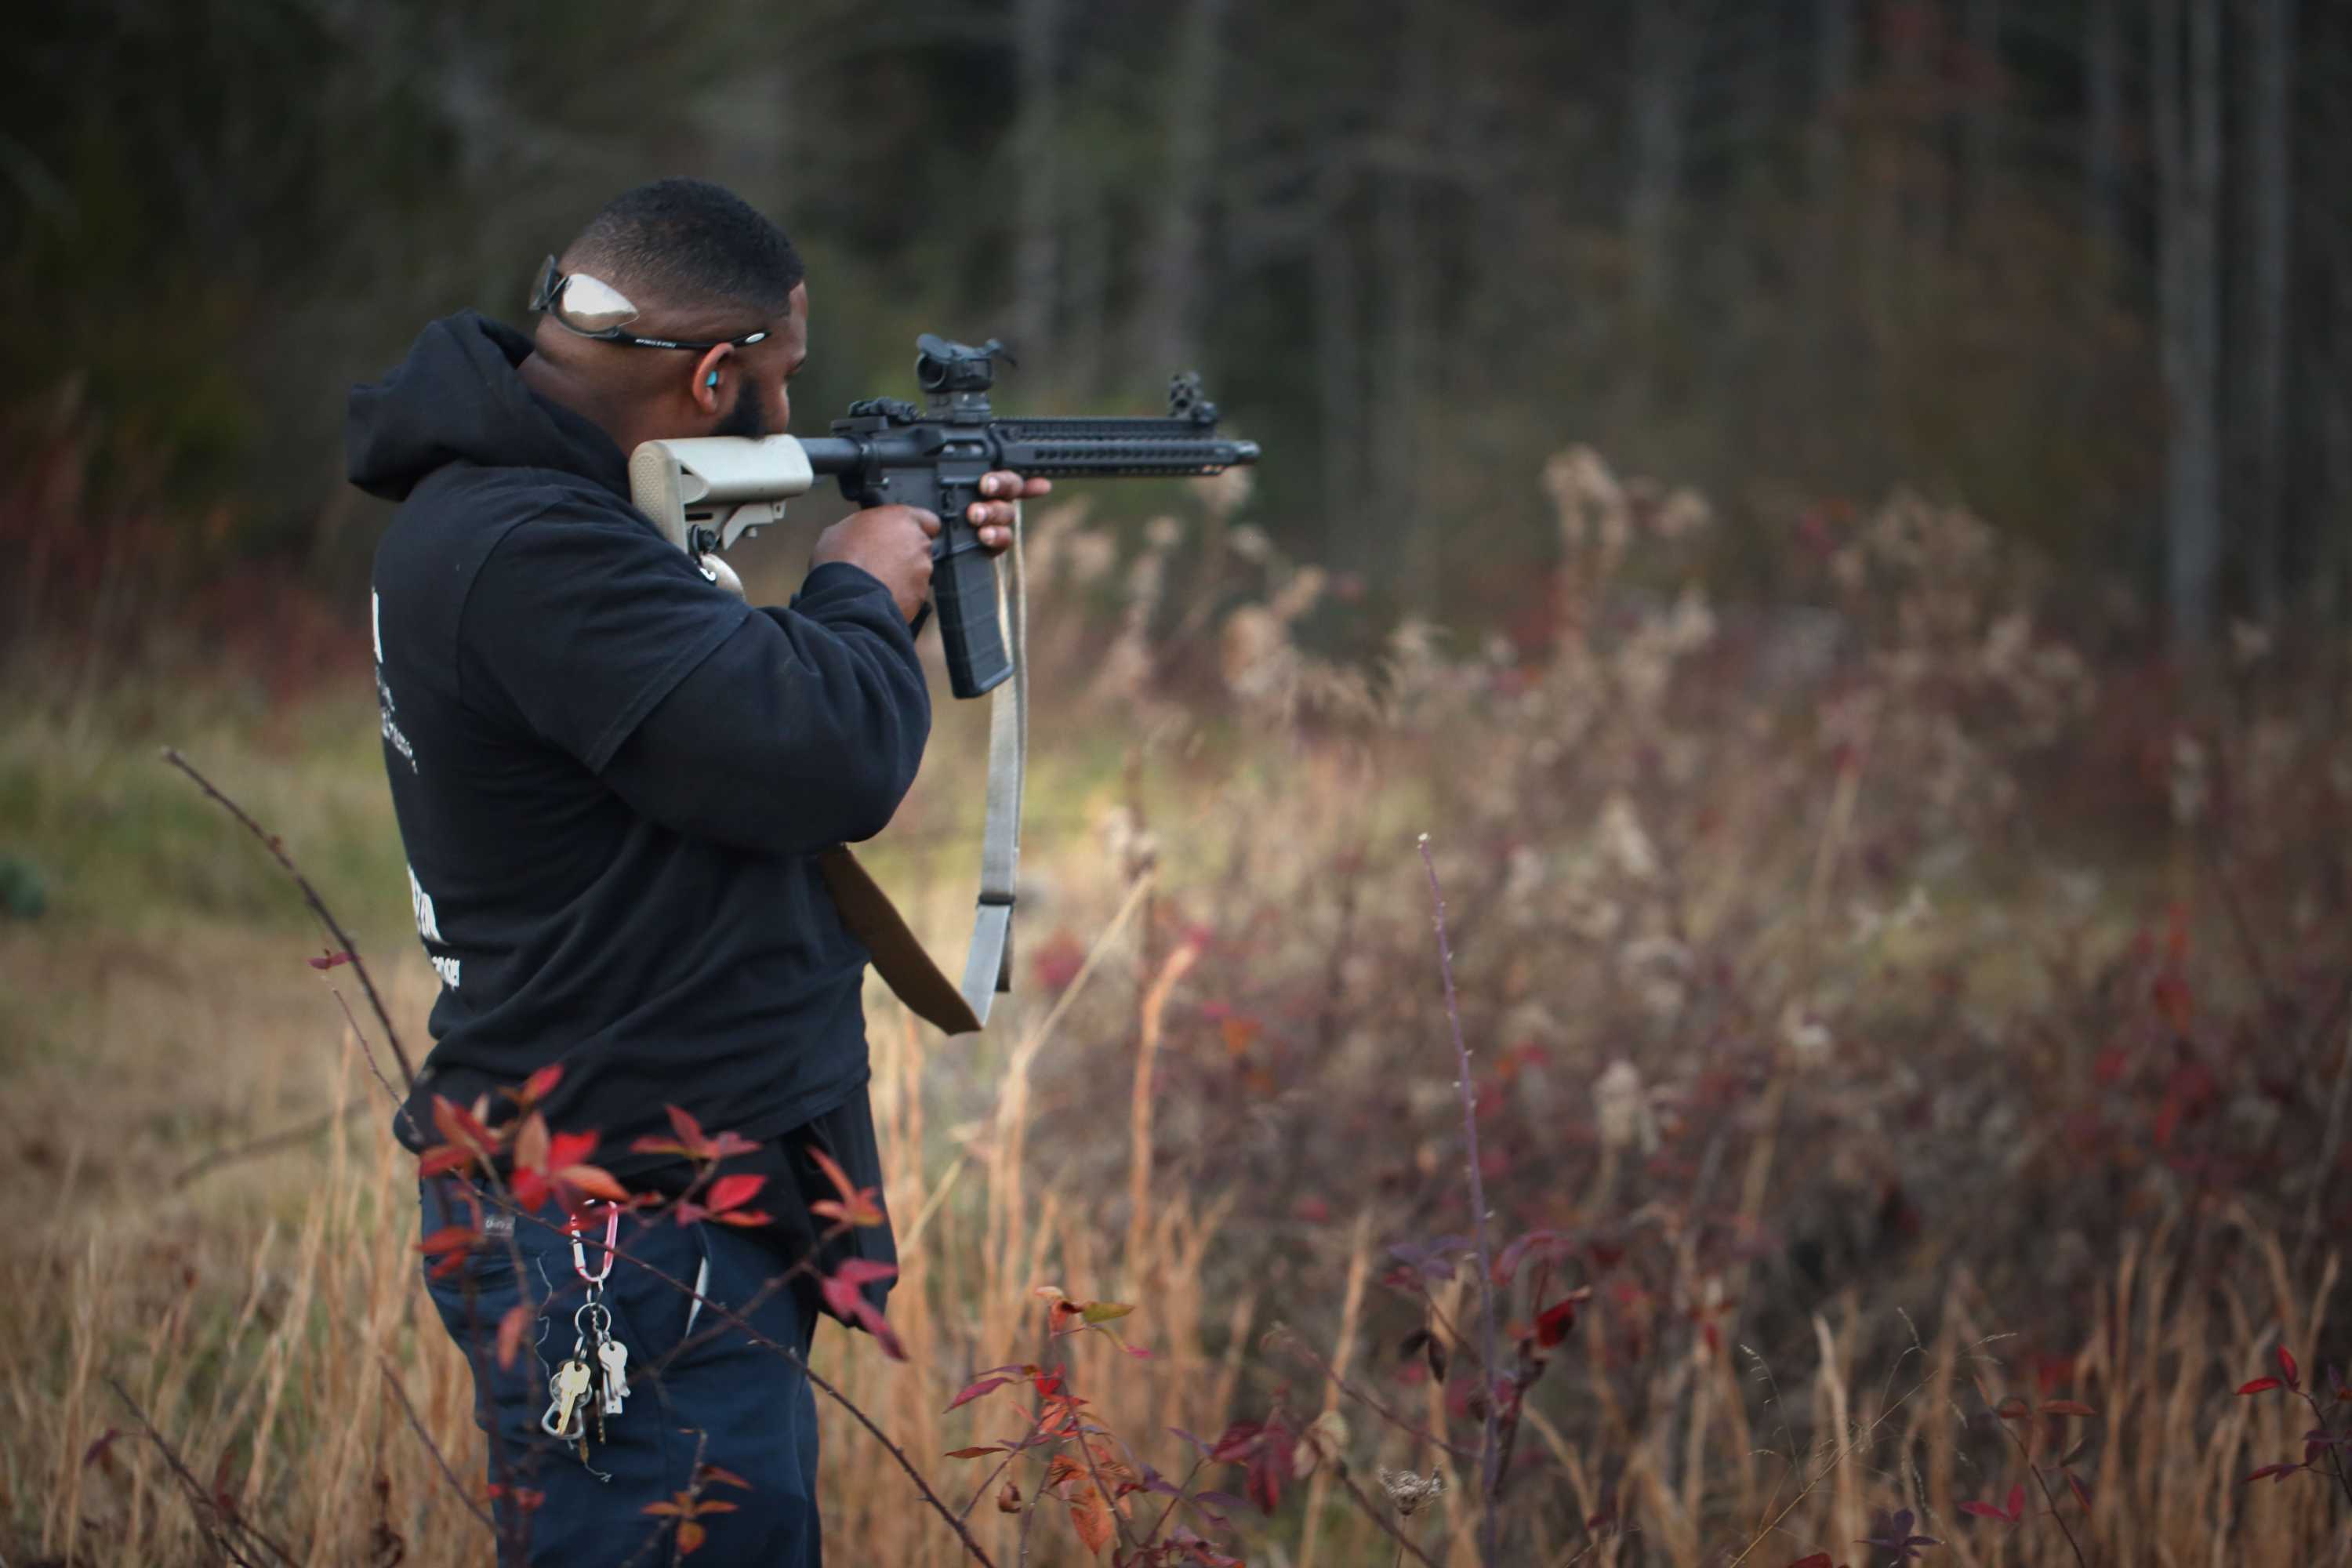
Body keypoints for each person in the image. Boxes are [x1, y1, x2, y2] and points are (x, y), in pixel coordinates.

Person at [347, 177, 1048, 1566]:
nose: (789, 419)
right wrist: (859, 580)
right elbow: (821, 756)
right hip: (622, 1219)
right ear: (717, 375)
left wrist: (890, 584)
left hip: (654, 1190)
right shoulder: (531, 549)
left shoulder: (536, 517)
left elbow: (720, 730)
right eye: (779, 381)